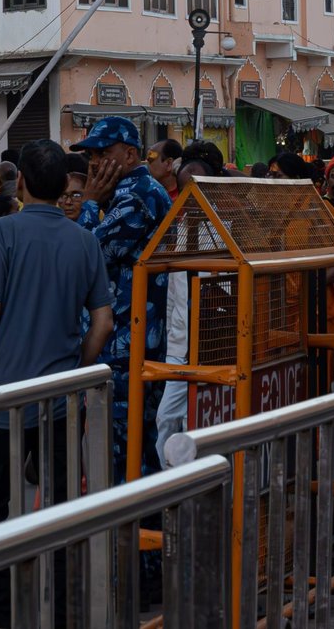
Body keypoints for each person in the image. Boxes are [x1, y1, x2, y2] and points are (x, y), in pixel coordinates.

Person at [0, 140, 113, 624]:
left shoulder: (3, 230)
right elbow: (103, 322)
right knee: (63, 511)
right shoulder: (83, 239)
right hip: (62, 401)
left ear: (20, 181)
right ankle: (63, 608)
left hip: (4, 399)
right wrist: (77, 366)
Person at [73, 116, 172, 484]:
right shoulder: (131, 192)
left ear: (130, 155)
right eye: (90, 156)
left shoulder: (137, 196)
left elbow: (86, 255)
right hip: (126, 345)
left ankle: (132, 535)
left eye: (103, 153)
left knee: (124, 456)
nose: (94, 163)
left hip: (126, 349)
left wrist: (88, 204)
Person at [153, 145, 223, 467]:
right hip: (179, 349)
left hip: (215, 348)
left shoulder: (225, 235)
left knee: (204, 427)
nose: (189, 198)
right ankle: (175, 489)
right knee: (166, 421)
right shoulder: (176, 231)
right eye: (183, 191)